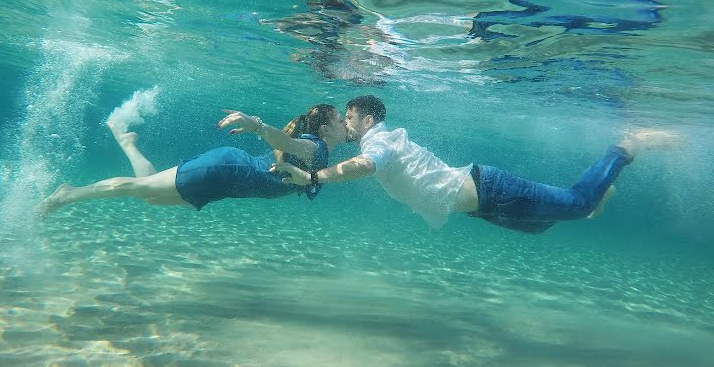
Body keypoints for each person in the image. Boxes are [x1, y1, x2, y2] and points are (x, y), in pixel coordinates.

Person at [273, 95, 674, 234]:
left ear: (367, 118)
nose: (345, 122)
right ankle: (595, 197)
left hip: (488, 190)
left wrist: (313, 176)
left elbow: (364, 166)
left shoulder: (378, 140)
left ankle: (625, 146)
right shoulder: (379, 137)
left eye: (349, 115)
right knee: (542, 225)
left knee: (578, 204)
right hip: (482, 205)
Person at [42, 104, 347, 215]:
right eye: (340, 119)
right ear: (324, 128)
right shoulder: (316, 147)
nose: (345, 123)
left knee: (148, 194)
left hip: (227, 184)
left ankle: (128, 143)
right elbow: (284, 141)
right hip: (225, 170)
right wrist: (256, 125)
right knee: (139, 188)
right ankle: (68, 194)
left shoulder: (320, 153)